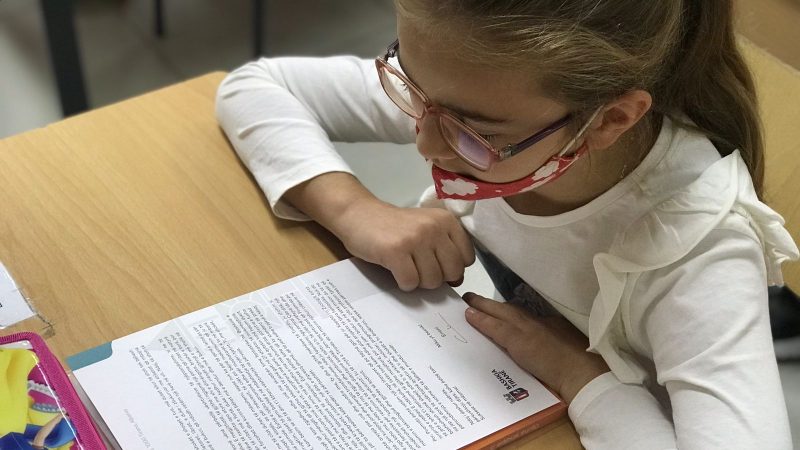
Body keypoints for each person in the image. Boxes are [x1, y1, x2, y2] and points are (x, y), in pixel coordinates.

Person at [216, 0, 799, 447]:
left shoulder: (698, 252)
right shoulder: (469, 90)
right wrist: (353, 210)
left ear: (609, 120)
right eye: (411, 89)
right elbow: (256, 87)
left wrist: (582, 379)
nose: (425, 144)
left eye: (477, 134)